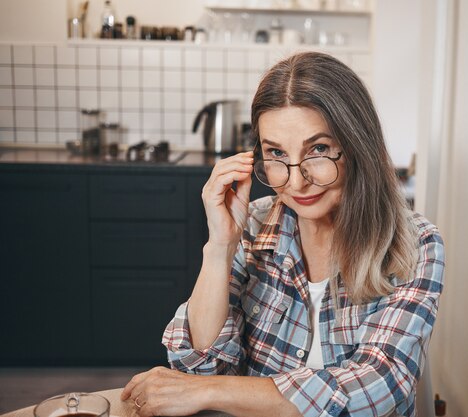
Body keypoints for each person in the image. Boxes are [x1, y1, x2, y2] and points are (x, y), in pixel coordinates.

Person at [121, 51, 444, 417]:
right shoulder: (254, 224)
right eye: (276, 153)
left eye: (318, 150)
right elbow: (197, 364)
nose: (296, 181)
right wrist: (220, 246)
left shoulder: (415, 244)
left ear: (357, 146)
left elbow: (378, 386)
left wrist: (209, 390)